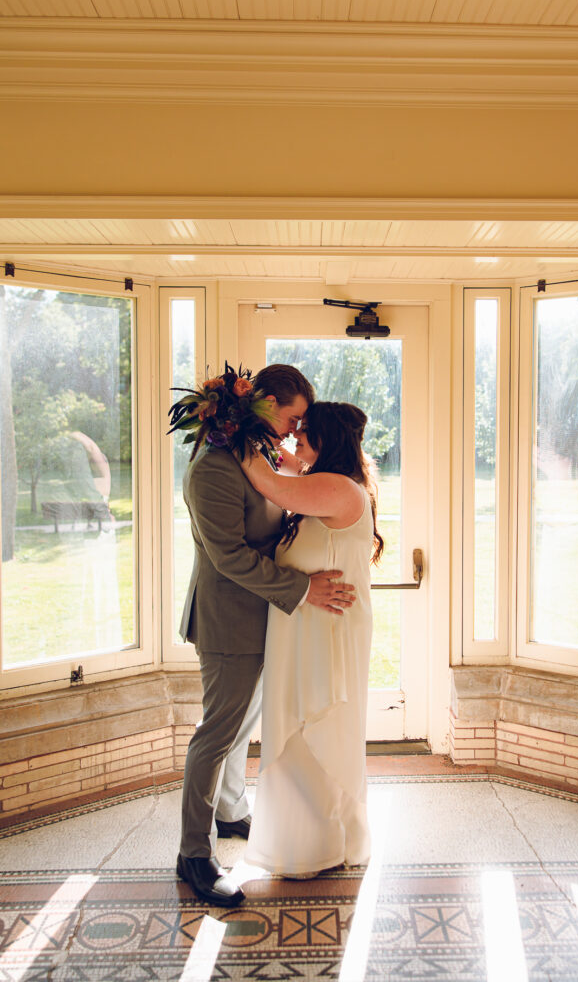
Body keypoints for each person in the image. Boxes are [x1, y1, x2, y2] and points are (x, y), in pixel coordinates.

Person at [175, 366, 356, 908]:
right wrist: (303, 589)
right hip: (228, 622)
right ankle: (192, 853)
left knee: (243, 726)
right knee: (217, 734)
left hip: (264, 618)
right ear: (269, 403)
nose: (295, 430)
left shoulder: (257, 455)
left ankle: (231, 813)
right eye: (294, 418)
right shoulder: (214, 466)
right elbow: (229, 557)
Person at [240, 401, 383, 878]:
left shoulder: (338, 488)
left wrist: (228, 426)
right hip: (306, 626)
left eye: (304, 430)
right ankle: (303, 843)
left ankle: (321, 845)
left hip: (328, 632)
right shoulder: (320, 483)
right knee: (299, 732)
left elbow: (271, 482)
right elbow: (280, 464)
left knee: (318, 729)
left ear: (327, 439)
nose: (294, 436)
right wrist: (264, 435)